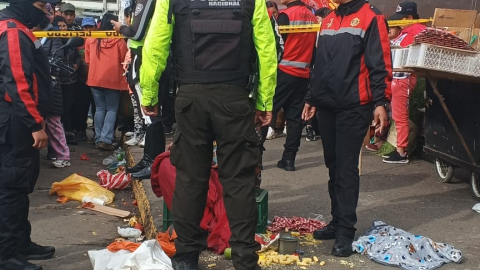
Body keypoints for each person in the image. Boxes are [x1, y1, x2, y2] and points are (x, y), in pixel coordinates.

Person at [140, 0, 277, 268]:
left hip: (191, 97)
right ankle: (244, 259)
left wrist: (149, 92)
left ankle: (186, 257)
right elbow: (266, 50)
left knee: (191, 180)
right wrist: (264, 101)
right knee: (239, 181)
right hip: (235, 99)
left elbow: (155, 45)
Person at [303, 0, 391, 257]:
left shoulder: (371, 17)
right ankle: (336, 221)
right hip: (327, 105)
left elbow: (380, 63)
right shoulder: (329, 20)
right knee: (333, 164)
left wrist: (381, 102)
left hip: (355, 105)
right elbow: (317, 64)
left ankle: (345, 231)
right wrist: (311, 97)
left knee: (346, 167)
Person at [0, 0, 60, 269]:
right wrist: (35, 124)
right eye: (46, 5)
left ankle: (20, 242)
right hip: (16, 121)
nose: (50, 11)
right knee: (12, 186)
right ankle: (7, 254)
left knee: (20, 183)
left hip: (14, 118)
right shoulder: (13, 30)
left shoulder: (16, 26)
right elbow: (18, 80)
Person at [271, 0, 317, 171]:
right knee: (295, 119)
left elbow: (276, 45)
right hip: (303, 73)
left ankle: (256, 160)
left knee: (267, 113)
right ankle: (289, 160)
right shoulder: (312, 16)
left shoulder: (286, 15)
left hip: (284, 71)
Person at [383, 1, 425, 164]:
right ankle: (381, 143)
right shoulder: (404, 31)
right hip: (395, 77)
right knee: (394, 114)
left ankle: (401, 151)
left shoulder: (417, 30)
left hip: (404, 78)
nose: (398, 22)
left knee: (400, 116)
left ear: (409, 17)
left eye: (401, 18)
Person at [85, 14, 128, 151]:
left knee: (99, 109)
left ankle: (98, 138)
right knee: (112, 109)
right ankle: (106, 138)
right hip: (113, 80)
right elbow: (125, 60)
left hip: (94, 79)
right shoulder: (119, 40)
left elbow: (87, 60)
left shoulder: (91, 39)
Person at [42, 16, 71, 168]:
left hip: (50, 85)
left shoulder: (53, 35)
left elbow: (57, 59)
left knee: (53, 122)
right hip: (31, 85)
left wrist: (42, 66)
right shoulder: (27, 34)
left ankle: (63, 155)